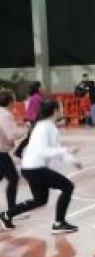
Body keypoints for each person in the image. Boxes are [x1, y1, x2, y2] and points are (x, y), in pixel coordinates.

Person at [4, 99, 81, 234]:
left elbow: (55, 150)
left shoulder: (47, 126)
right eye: (61, 107)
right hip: (35, 168)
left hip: (31, 168)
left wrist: (72, 160)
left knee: (40, 200)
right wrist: (67, 150)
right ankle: (59, 223)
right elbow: (43, 151)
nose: (62, 110)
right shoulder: (44, 127)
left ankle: (6, 215)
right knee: (68, 186)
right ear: (55, 111)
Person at [0, 89, 25, 230]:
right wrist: (26, 129)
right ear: (10, 101)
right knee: (13, 178)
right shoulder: (5, 115)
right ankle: (10, 212)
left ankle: (11, 211)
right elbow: (12, 134)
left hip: (2, 152)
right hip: (1, 153)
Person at [14, 81, 43, 159]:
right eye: (40, 87)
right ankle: (19, 151)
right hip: (33, 119)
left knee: (32, 137)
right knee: (31, 137)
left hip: (31, 118)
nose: (42, 88)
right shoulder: (37, 97)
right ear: (38, 88)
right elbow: (36, 109)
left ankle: (19, 151)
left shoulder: (33, 96)